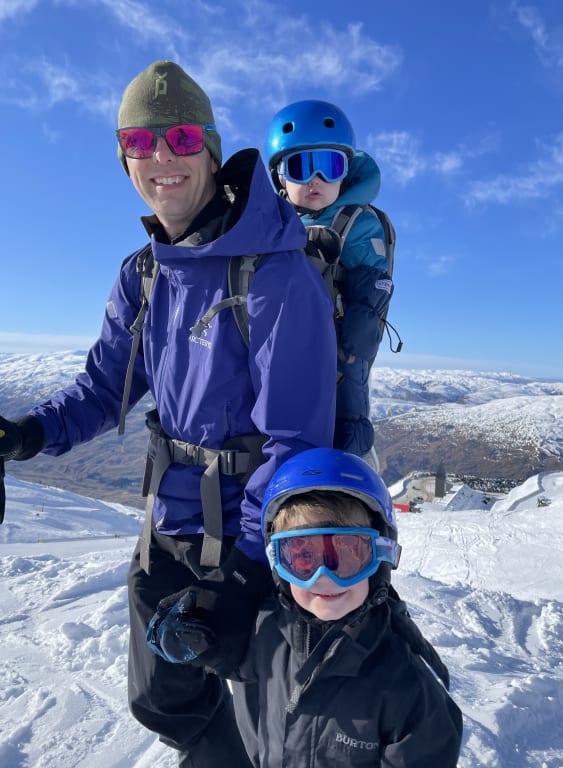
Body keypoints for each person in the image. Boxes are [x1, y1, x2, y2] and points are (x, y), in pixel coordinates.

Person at [0, 61, 337, 767]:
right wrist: (29, 433)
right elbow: (106, 389)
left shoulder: (275, 273)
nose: (161, 157)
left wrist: (246, 573)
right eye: (139, 141)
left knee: (272, 723)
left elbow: (295, 440)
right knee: (161, 697)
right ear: (123, 158)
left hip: (252, 537)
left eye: (181, 137)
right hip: (168, 527)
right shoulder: (143, 274)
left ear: (209, 150)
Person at [148, 448, 463, 767]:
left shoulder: (408, 687)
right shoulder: (266, 630)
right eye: (303, 558)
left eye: (348, 554)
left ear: (381, 557)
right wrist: (185, 639)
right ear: (277, 564)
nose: (324, 577)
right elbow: (227, 658)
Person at [265, 100, 395, 459]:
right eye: (301, 167)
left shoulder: (358, 224)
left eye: (329, 166)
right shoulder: (270, 227)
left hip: (336, 358)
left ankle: (349, 456)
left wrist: (354, 335)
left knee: (345, 413)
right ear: (280, 177)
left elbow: (368, 301)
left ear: (345, 173)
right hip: (279, 358)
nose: (316, 180)